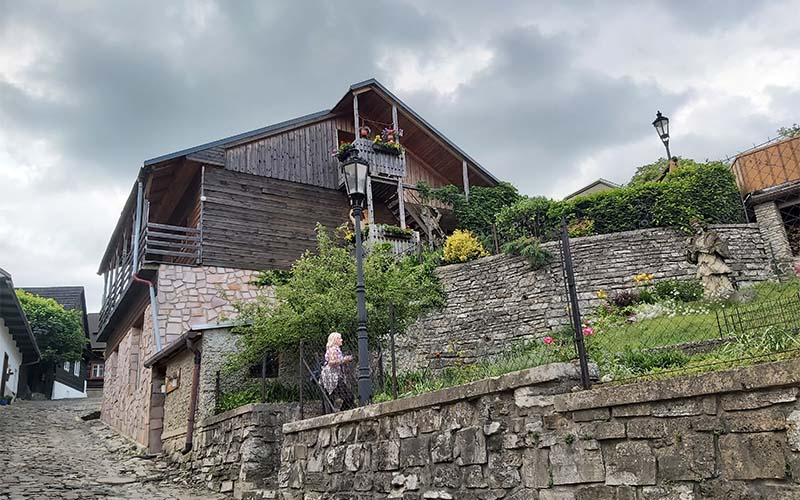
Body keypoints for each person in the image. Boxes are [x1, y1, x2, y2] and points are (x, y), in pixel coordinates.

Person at [320, 332, 354, 410]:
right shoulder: (334, 349)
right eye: (340, 338)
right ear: (335, 340)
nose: (341, 340)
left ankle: (335, 412)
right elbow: (332, 362)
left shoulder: (334, 349)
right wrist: (344, 360)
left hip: (331, 375)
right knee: (348, 396)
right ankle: (343, 412)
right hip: (332, 376)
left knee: (331, 397)